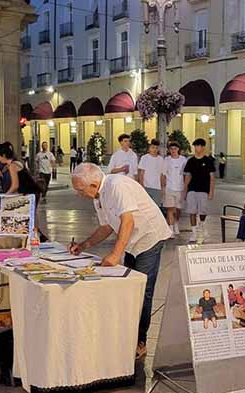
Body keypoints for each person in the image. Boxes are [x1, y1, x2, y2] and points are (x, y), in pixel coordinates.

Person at [69, 163, 171, 359]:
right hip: (133, 242)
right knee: (130, 289)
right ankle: (128, 336)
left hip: (149, 238)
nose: (78, 194)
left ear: (92, 184)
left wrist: (115, 255)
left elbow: (128, 221)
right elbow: (106, 227)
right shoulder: (98, 195)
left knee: (143, 291)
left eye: (80, 189)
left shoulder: (117, 185)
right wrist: (83, 245)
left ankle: (140, 342)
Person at [184, 138, 215, 244]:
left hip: (203, 190)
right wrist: (185, 190)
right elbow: (188, 175)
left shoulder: (208, 161)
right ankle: (194, 232)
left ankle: (201, 225)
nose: (197, 148)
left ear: (203, 147)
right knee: (192, 211)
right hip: (192, 189)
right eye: (195, 146)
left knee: (202, 211)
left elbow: (212, 177)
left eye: (198, 146)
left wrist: (211, 191)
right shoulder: (191, 161)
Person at [164, 142, 188, 238]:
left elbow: (186, 174)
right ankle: (170, 229)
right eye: (171, 149)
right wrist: (163, 187)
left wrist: (186, 187)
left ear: (178, 149)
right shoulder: (166, 160)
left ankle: (176, 223)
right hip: (169, 187)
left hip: (180, 188)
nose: (173, 150)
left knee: (178, 209)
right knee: (170, 208)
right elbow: (163, 174)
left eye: (175, 148)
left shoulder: (183, 160)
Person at [138, 139, 165, 206]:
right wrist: (142, 186)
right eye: (152, 147)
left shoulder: (160, 159)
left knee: (156, 207)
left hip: (157, 188)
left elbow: (162, 174)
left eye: (156, 148)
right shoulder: (144, 158)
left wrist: (162, 187)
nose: (154, 149)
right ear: (149, 148)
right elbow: (141, 173)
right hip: (146, 186)